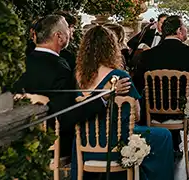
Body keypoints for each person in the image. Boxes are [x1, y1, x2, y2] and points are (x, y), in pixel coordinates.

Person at [12, 15, 132, 156]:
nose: (71, 33)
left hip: (18, 143)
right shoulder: (59, 68)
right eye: (68, 30)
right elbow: (67, 116)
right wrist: (103, 94)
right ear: (59, 36)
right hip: (52, 145)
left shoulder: (18, 64)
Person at [72, 25, 174, 180]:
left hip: (85, 143)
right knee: (164, 135)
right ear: (111, 48)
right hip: (116, 142)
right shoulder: (119, 76)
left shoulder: (79, 76)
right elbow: (137, 115)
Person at [134, 15, 189, 161]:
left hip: (153, 111)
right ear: (179, 31)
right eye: (185, 27)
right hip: (183, 109)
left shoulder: (147, 56)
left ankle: (168, 147)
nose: (186, 30)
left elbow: (137, 84)